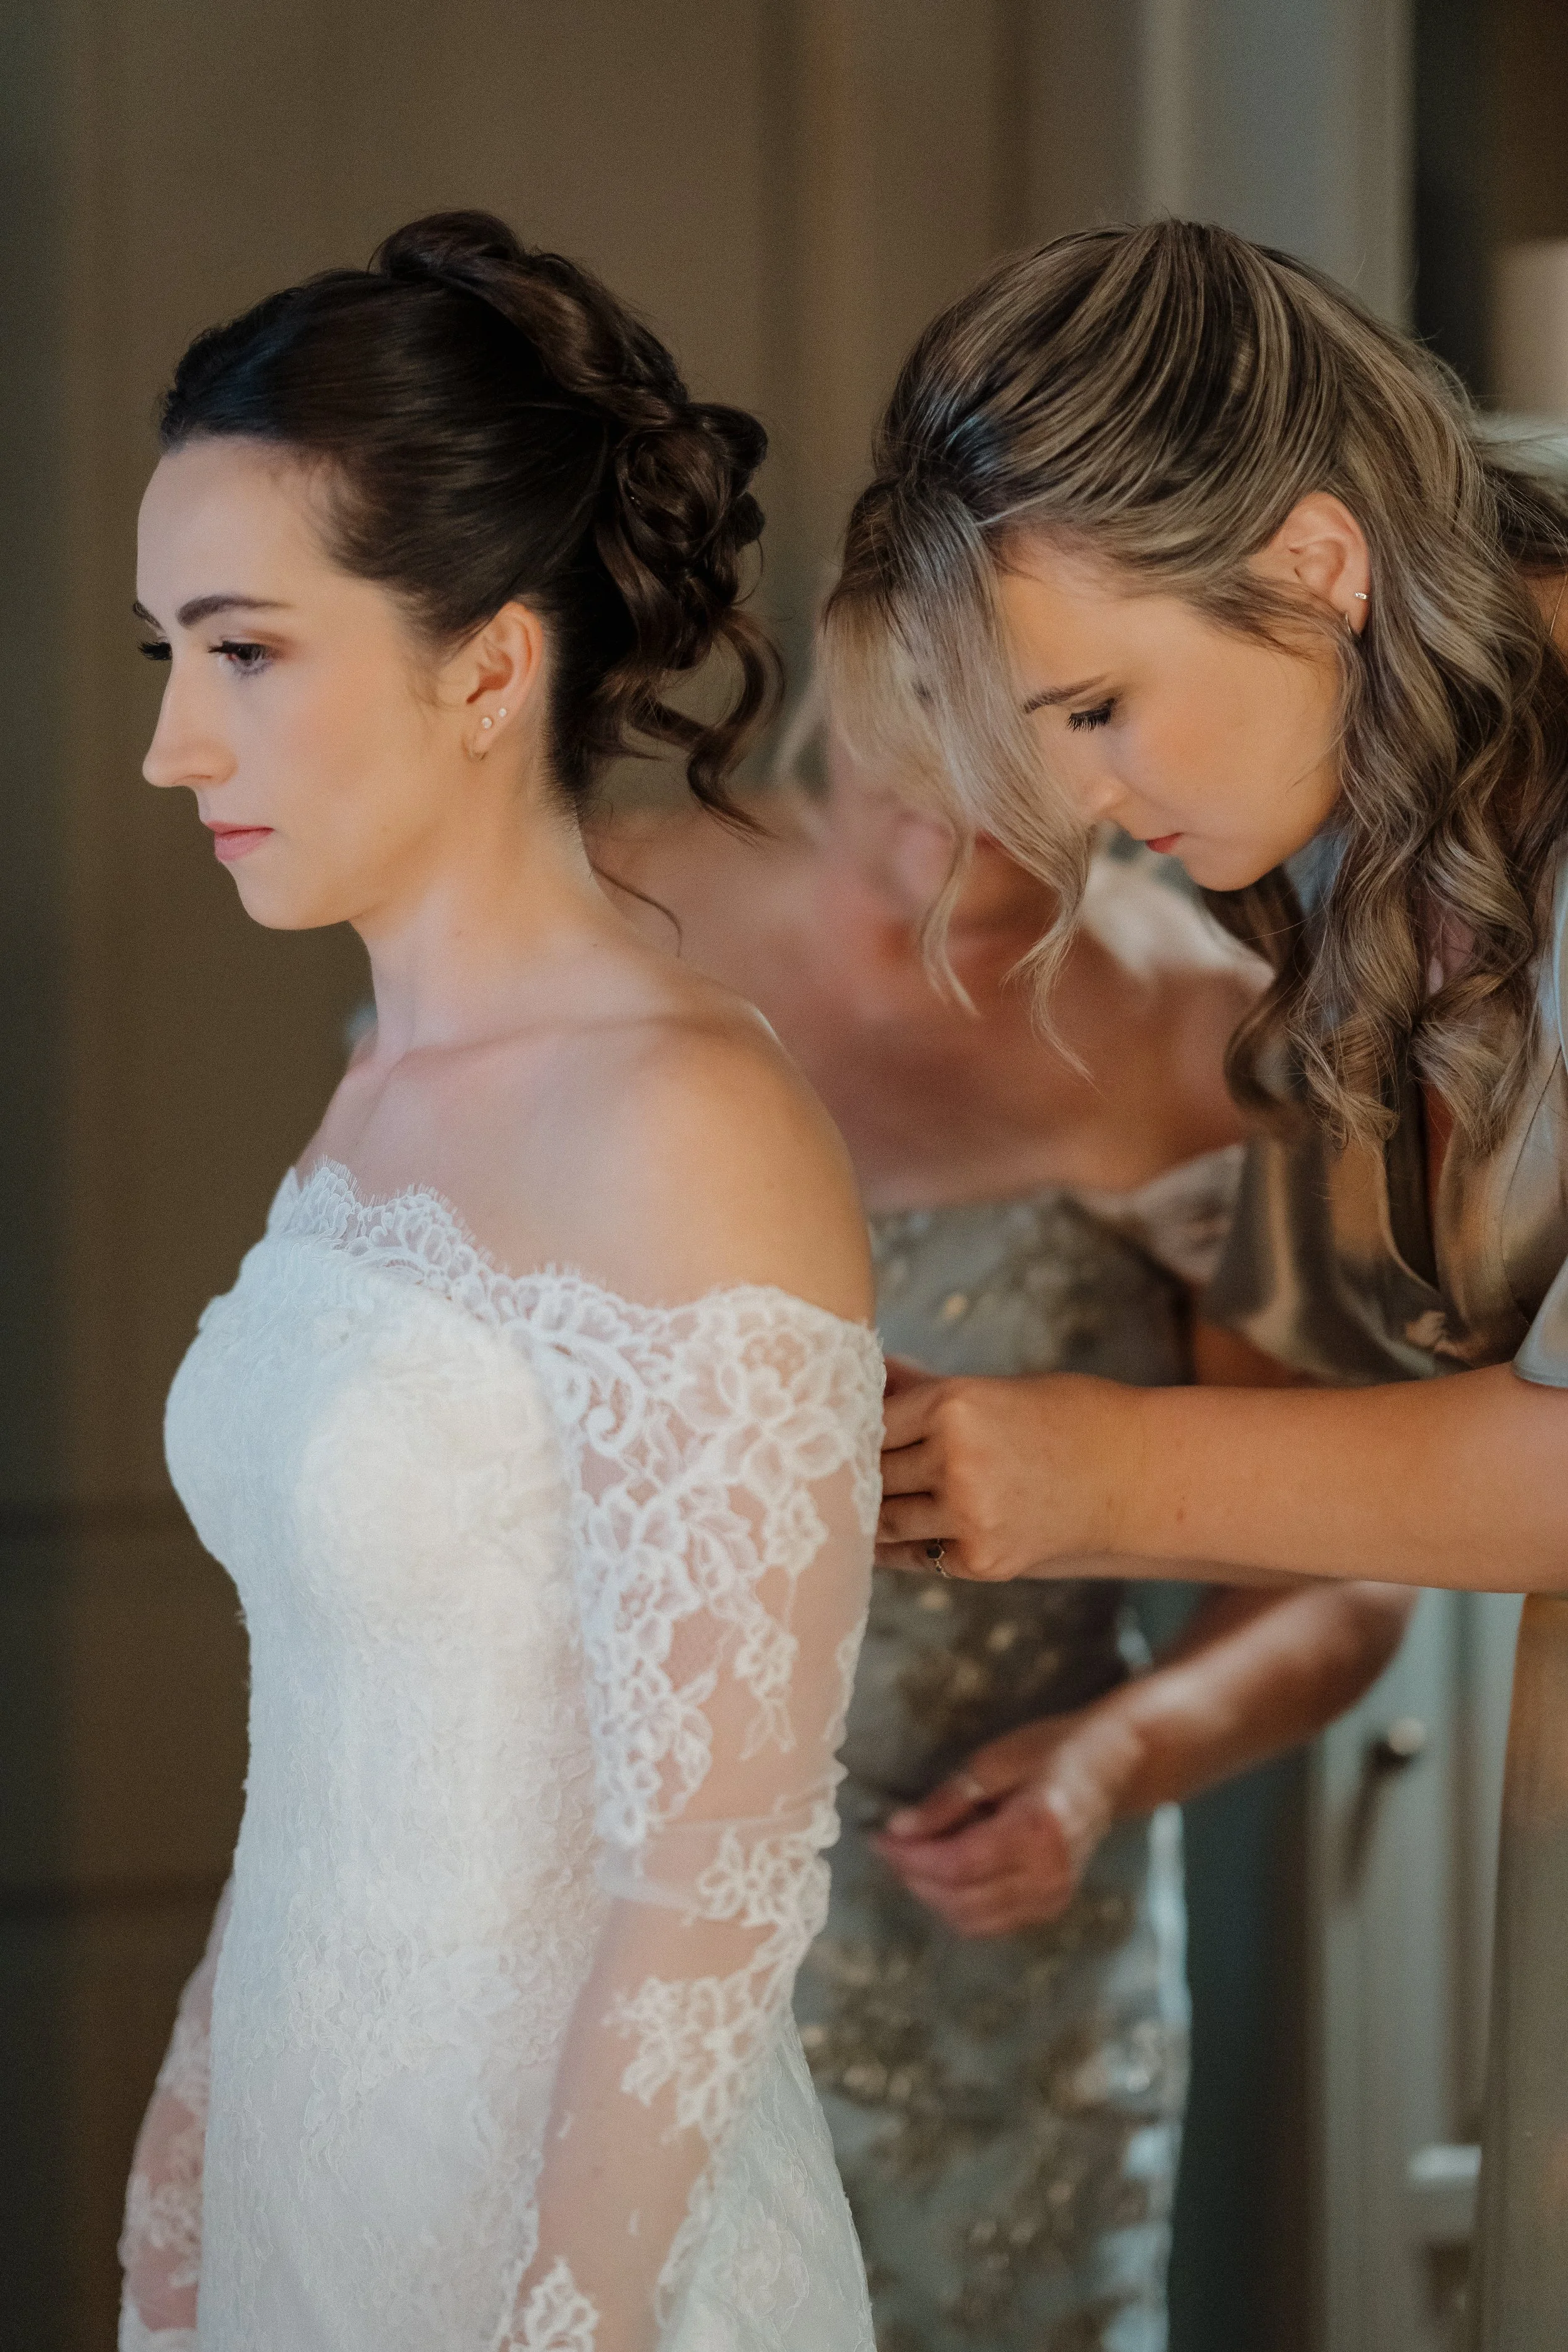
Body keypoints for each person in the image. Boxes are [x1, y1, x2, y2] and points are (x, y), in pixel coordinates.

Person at [116, 212, 884, 2352]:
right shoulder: (377, 1089)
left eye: (243, 653)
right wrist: (183, 2198)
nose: (173, 743)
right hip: (317, 2202)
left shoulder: (683, 1120)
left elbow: (714, 1875)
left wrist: (564, 2324)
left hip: (590, 2265)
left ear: (486, 666)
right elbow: (328, 1744)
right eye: (162, 652)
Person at [820, 218, 1568, 2346]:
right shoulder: (1393, 811)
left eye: (1093, 707)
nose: (1069, 799)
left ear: (1315, 560)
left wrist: (1099, 1472)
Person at [603, 720, 1412, 2351]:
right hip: (591, 1925)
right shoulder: (598, 921)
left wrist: (1102, 1764)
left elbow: (1350, 1566)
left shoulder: (1207, 1034)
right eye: (917, 730)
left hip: (986, 1976)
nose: (961, 808)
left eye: (1027, 739)